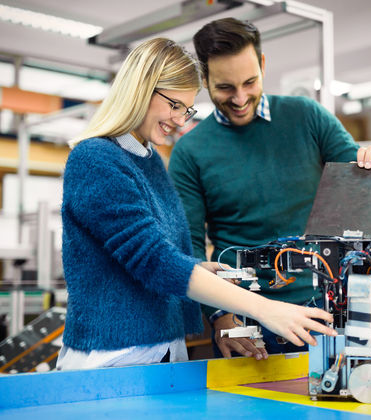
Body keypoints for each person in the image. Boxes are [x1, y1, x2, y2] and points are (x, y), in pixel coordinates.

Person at [56, 37, 337, 370]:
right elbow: (154, 261)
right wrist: (265, 309)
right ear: (142, 89)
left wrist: (200, 270)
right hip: (111, 359)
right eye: (174, 105)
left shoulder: (149, 160)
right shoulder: (95, 159)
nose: (179, 120)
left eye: (186, 109)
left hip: (162, 350)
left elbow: (158, 253)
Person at [168, 18, 371, 361]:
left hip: (324, 308)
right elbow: (188, 248)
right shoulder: (190, 152)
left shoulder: (306, 116)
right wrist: (220, 317)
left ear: (263, 64)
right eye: (225, 88)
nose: (240, 98)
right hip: (244, 320)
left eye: (250, 81)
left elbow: (362, 182)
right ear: (204, 80)